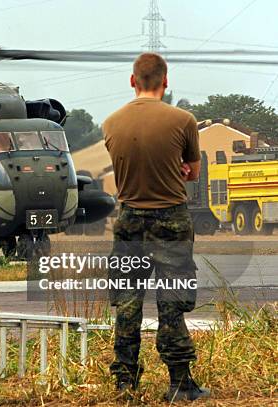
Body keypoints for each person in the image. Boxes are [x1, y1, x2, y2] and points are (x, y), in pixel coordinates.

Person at [102, 53, 210, 402]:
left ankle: (125, 384)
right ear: (166, 81)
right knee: (172, 302)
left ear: (133, 81)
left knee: (128, 304)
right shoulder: (184, 120)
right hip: (172, 221)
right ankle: (180, 384)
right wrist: (177, 168)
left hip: (129, 219)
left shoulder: (111, 122)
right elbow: (192, 172)